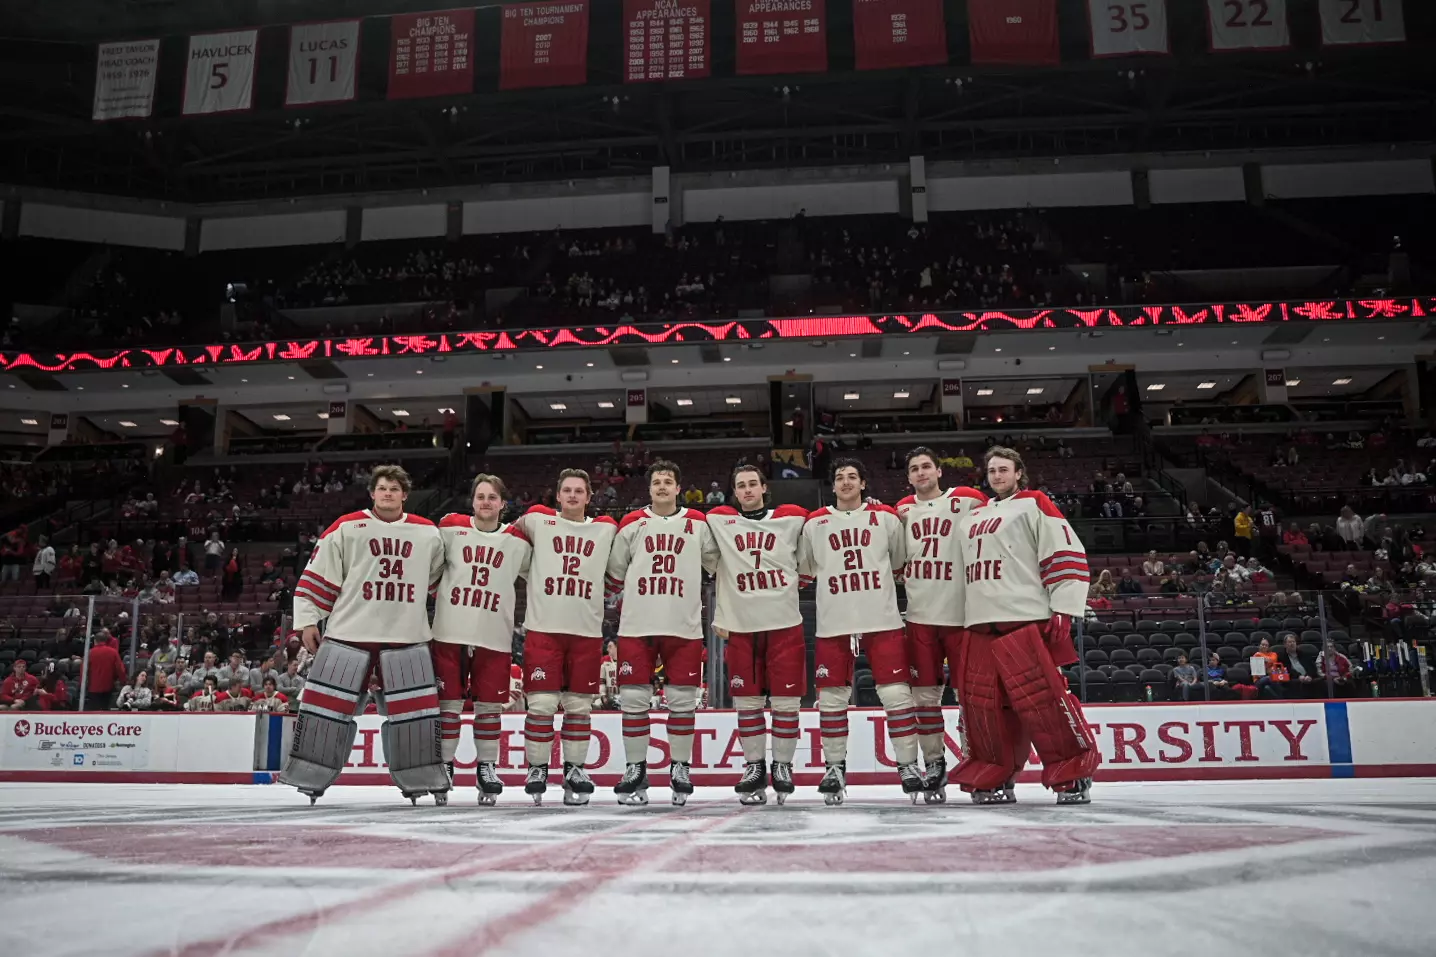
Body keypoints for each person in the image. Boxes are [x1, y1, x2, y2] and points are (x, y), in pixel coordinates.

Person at [280, 464, 448, 806]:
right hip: (348, 634)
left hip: (407, 636)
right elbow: (318, 576)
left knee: (414, 719)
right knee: (324, 715)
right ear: (372, 493)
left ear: (405, 494)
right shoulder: (346, 527)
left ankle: (419, 779)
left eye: (395, 489)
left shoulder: (428, 533)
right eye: (382, 488)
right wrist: (309, 621)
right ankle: (310, 777)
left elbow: (437, 584)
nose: (388, 493)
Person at [953, 446, 1099, 805]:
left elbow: (1063, 551)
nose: (997, 476)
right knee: (982, 706)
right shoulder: (973, 516)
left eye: (1004, 469)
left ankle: (1072, 770)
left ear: (1019, 473)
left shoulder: (1035, 502)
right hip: (979, 619)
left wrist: (1062, 606)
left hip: (1024, 615)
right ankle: (993, 771)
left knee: (1043, 700)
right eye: (991, 471)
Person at [798, 457, 922, 805]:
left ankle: (908, 766)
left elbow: (899, 561)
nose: (846, 482)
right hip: (834, 622)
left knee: (897, 695)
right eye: (840, 478)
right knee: (832, 699)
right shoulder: (815, 522)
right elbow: (805, 569)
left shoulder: (885, 517)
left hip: (881, 619)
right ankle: (834, 768)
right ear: (833, 485)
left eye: (853, 476)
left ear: (863, 483)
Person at [605, 460, 719, 807]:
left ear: (678, 487)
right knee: (634, 702)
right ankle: (635, 767)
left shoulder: (698, 523)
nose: (662, 487)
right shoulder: (631, 523)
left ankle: (680, 767)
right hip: (637, 626)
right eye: (656, 482)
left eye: (668, 481)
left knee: (683, 703)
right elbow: (614, 573)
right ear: (649, 488)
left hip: (683, 626)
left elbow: (717, 565)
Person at [511, 469, 618, 806]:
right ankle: (537, 768)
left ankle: (575, 768)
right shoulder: (537, 520)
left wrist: (602, 590)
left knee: (579, 708)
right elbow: (507, 544)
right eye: (567, 490)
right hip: (544, 629)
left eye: (579, 491)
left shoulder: (605, 527)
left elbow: (615, 574)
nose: (572, 496)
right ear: (557, 495)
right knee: (541, 705)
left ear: (589, 497)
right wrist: (534, 574)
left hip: (586, 632)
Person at [708, 464, 809, 806]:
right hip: (741, 625)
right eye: (741, 486)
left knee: (786, 703)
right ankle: (754, 766)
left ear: (765, 487)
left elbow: (809, 563)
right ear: (734, 492)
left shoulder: (792, 519)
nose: (748, 490)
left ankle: (782, 765)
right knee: (747, 703)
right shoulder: (719, 521)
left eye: (753, 484)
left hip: (783, 624)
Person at [431, 474, 533, 806]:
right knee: (448, 706)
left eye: (492, 497)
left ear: (503, 504)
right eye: (480, 497)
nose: (485, 502)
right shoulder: (450, 528)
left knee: (489, 708)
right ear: (472, 501)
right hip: (449, 632)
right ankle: (444, 766)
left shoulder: (518, 540)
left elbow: (541, 574)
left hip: (494, 635)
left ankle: (486, 767)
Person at [894, 446, 986, 803]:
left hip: (962, 616)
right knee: (924, 699)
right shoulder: (901, 510)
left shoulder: (968, 500)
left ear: (939, 471)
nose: (921, 473)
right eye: (914, 468)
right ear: (908, 476)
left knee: (972, 698)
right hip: (919, 617)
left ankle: (977, 758)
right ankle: (934, 762)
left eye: (926, 467)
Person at [83, 633, 128, 710]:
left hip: (93, 687)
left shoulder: (90, 653)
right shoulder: (113, 652)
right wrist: (123, 681)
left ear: (95, 641)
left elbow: (83, 671)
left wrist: (83, 684)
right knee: (105, 710)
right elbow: (120, 669)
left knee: (94, 711)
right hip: (108, 686)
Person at [1278, 633, 1319, 698]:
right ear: (1285, 644)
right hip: (1293, 678)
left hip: (1307, 677)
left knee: (1319, 682)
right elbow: (1285, 670)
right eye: (1289, 642)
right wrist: (1298, 676)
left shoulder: (1303, 654)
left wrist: (1310, 675)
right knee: (1295, 683)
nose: (1292, 644)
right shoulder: (1281, 656)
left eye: (1293, 642)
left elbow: (1312, 667)